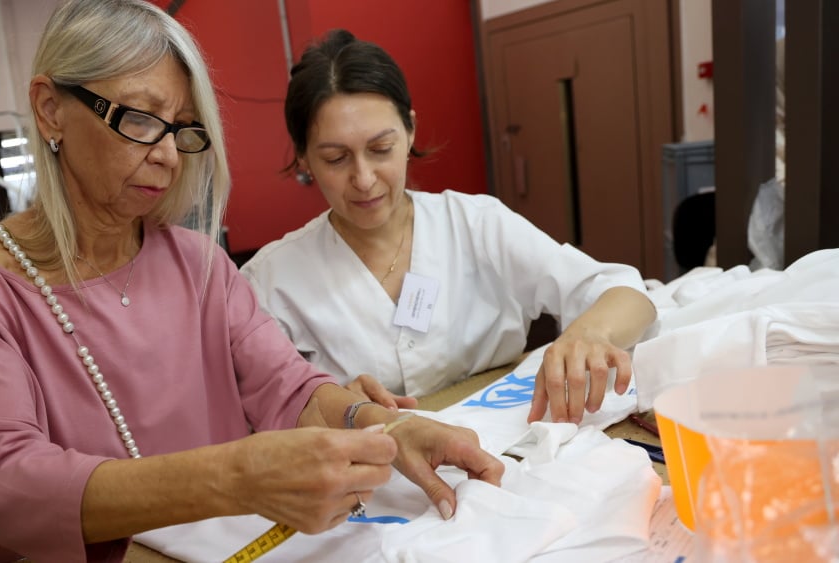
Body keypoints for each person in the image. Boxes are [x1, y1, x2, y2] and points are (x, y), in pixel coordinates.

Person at [0, 3, 503, 562]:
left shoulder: (199, 263)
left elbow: (287, 386)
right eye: (142, 120)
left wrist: (388, 427)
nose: (170, 155)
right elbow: (6, 480)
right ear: (49, 109)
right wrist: (236, 478)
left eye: (184, 130)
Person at [240, 29, 657, 426]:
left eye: (381, 149)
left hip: (512, 448)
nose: (364, 178)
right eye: (335, 158)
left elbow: (626, 292)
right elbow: (257, 411)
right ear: (304, 159)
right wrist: (325, 408)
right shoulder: (271, 280)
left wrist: (587, 334)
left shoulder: (475, 224)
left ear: (410, 131)